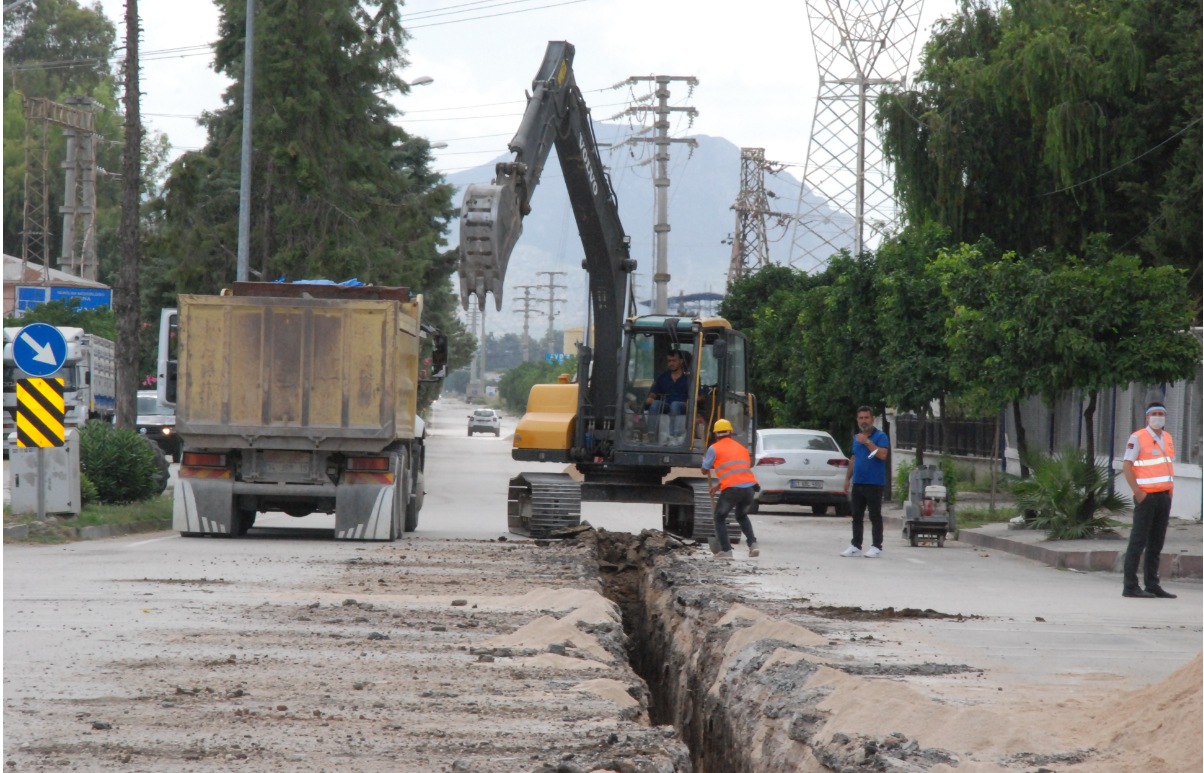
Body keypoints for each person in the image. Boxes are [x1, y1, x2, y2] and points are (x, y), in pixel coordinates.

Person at [1121, 402, 1177, 599]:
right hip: (1146, 497)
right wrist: (1138, 492)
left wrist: (1169, 492)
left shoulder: (1167, 438)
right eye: (1154, 413)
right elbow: (1127, 465)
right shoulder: (1138, 437)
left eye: (1161, 413)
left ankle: (1152, 584)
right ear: (1147, 417)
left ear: (1165, 417)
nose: (1157, 417)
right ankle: (1130, 586)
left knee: (1156, 543)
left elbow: (1166, 466)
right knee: (1138, 542)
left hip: (1164, 496)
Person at [703, 418, 760, 560]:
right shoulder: (742, 448)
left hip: (732, 490)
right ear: (731, 433)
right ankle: (753, 544)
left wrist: (705, 461)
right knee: (741, 515)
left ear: (716, 434)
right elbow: (737, 471)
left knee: (719, 517)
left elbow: (705, 470)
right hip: (749, 488)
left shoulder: (714, 448)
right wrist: (718, 486)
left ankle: (726, 551)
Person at [841, 406, 889, 558]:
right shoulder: (857, 437)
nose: (864, 421)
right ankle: (856, 546)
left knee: (875, 515)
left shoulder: (880, 436)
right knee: (856, 515)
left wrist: (867, 442)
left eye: (866, 418)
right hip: (858, 482)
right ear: (857, 420)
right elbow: (853, 458)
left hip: (874, 483)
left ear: (872, 419)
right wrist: (847, 479)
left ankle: (877, 547)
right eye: (861, 418)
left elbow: (882, 455)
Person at [645, 349, 690, 416]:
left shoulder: (690, 377)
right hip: (666, 404)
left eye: (674, 361)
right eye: (669, 361)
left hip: (684, 405)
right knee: (655, 404)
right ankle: (652, 423)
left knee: (675, 405)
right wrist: (651, 397)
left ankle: (676, 423)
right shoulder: (663, 376)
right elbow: (654, 391)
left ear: (681, 361)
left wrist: (693, 399)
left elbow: (701, 396)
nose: (671, 364)